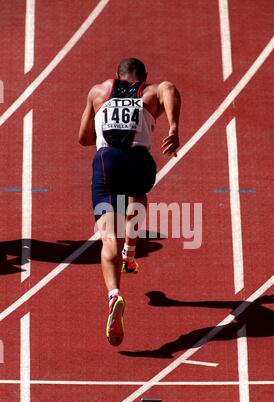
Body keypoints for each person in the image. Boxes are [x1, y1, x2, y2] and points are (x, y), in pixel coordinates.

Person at [78, 57, 181, 346]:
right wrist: (173, 127)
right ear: (144, 77)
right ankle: (131, 254)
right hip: (139, 160)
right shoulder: (148, 93)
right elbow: (170, 88)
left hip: (106, 161)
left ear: (116, 75)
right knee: (138, 195)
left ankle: (114, 295)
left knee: (107, 236)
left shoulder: (98, 92)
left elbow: (83, 138)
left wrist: (102, 120)